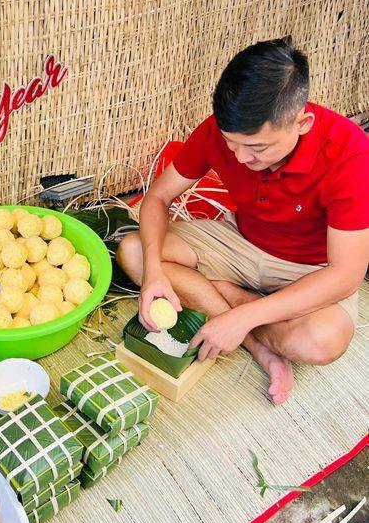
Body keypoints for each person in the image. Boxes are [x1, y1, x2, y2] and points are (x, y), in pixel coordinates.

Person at [116, 38, 369, 404]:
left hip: (307, 269)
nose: (240, 156)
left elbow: (346, 275)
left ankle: (229, 299)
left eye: (257, 148)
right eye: (231, 143)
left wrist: (244, 312)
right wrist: (154, 272)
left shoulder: (349, 153)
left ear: (303, 122)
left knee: (322, 340)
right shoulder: (221, 132)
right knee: (135, 251)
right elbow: (157, 197)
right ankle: (257, 344)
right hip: (239, 240)